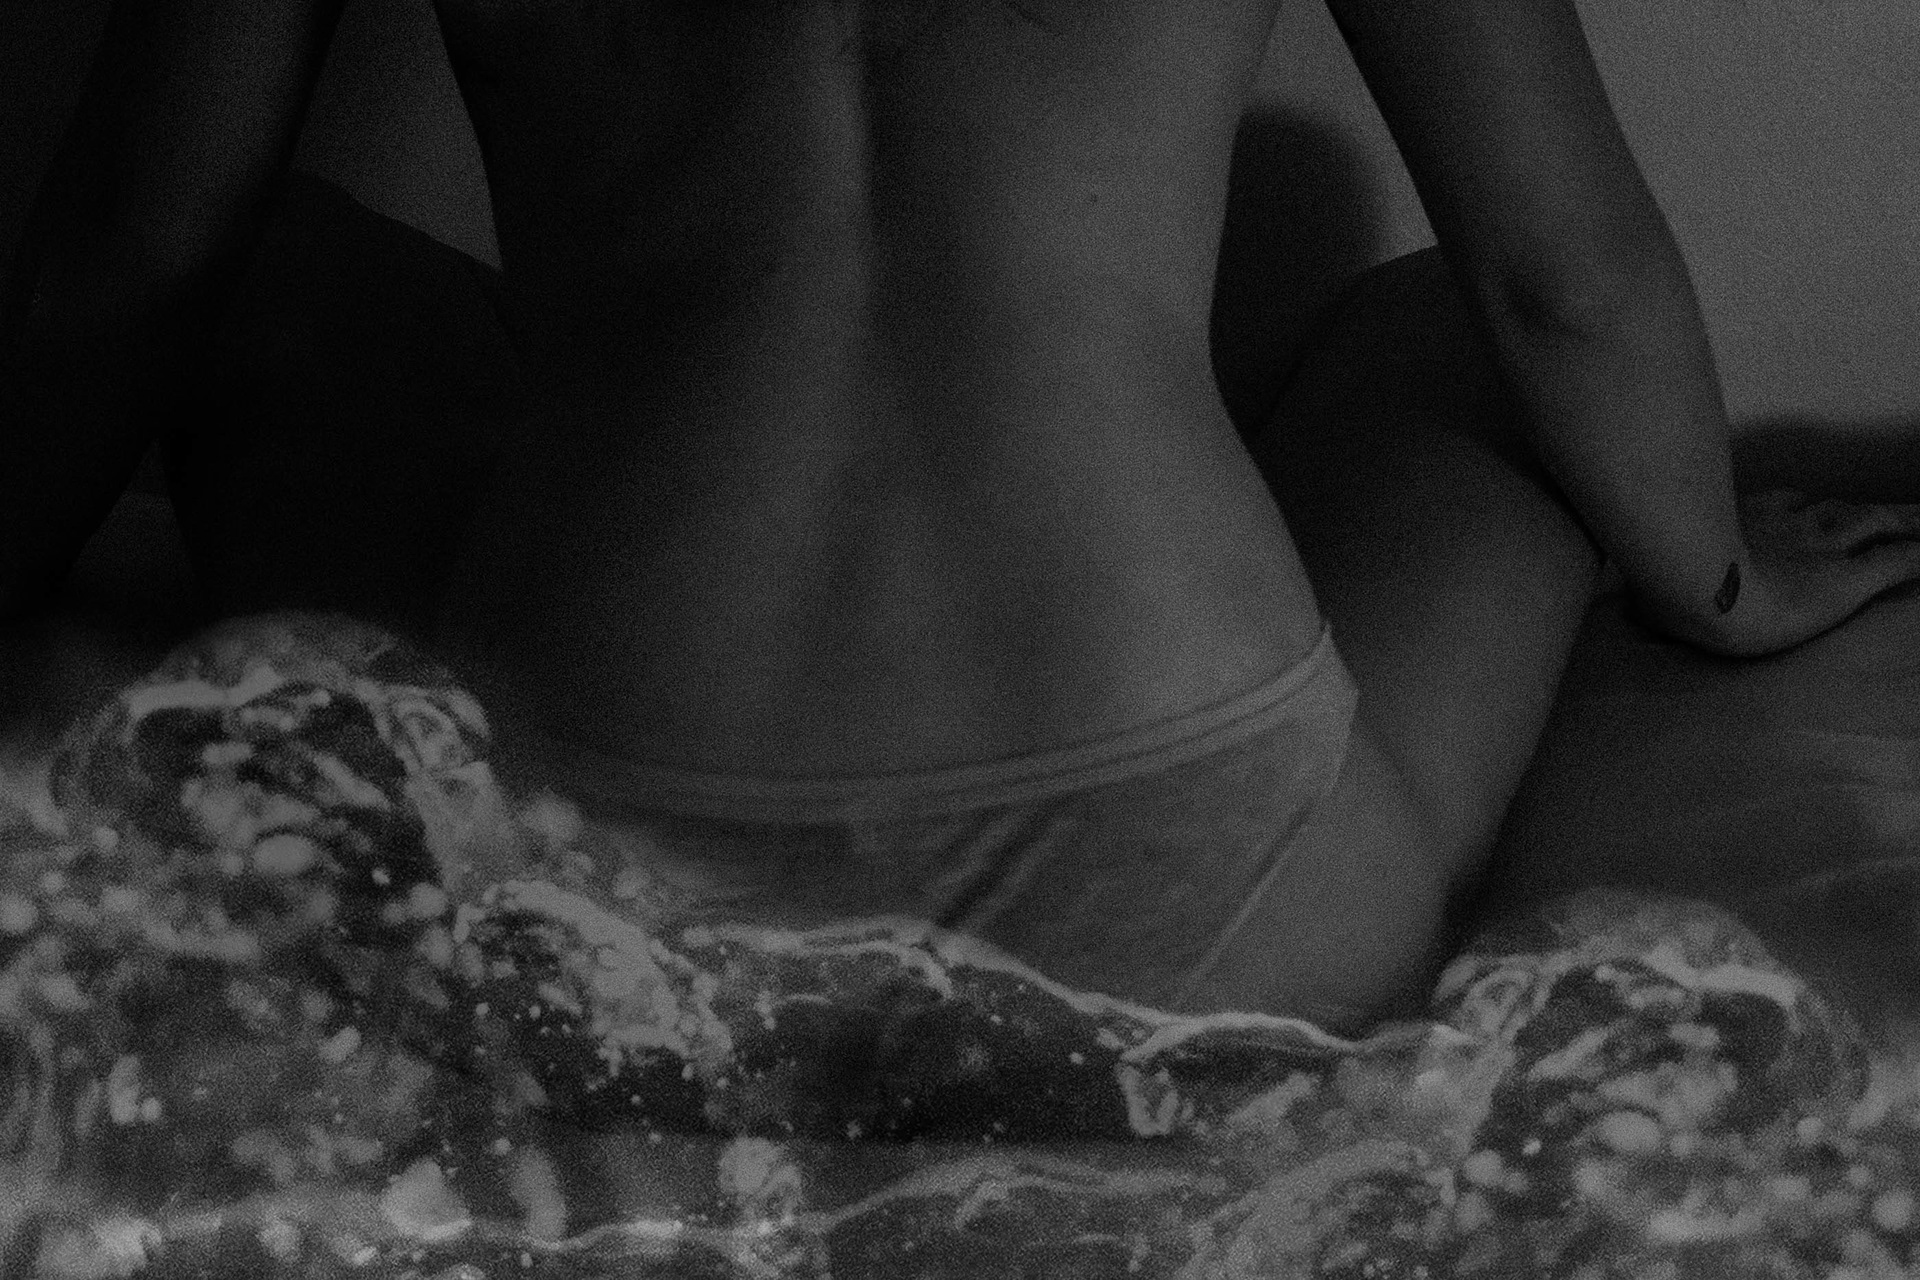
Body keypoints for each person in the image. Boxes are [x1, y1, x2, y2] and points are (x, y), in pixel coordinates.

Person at [5, 0, 1920, 1034]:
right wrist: (1722, 583)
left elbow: (127, 256)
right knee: (1442, 322)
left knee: (273, 277)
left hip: (578, 885)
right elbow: (1561, 285)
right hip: (1209, 911)